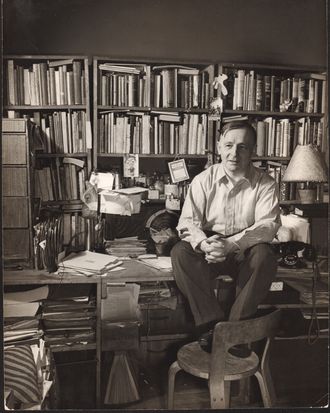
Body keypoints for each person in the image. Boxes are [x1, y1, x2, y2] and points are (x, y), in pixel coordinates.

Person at [171, 120, 280, 356]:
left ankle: (235, 332)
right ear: (219, 146)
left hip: (245, 247)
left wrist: (232, 244)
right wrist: (203, 243)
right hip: (210, 246)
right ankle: (212, 328)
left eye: (243, 147)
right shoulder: (202, 180)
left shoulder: (266, 183)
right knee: (180, 252)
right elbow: (187, 222)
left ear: (253, 151)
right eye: (229, 145)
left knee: (265, 256)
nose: (234, 153)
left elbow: (268, 225)